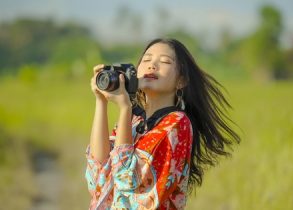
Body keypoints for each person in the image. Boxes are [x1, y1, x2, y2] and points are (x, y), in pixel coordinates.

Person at [85, 38, 240, 209]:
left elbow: (127, 181)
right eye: (146, 59)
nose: (152, 65)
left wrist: (124, 108)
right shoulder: (134, 119)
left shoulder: (177, 123)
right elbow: (98, 173)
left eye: (165, 61)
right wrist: (101, 101)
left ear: (181, 81)